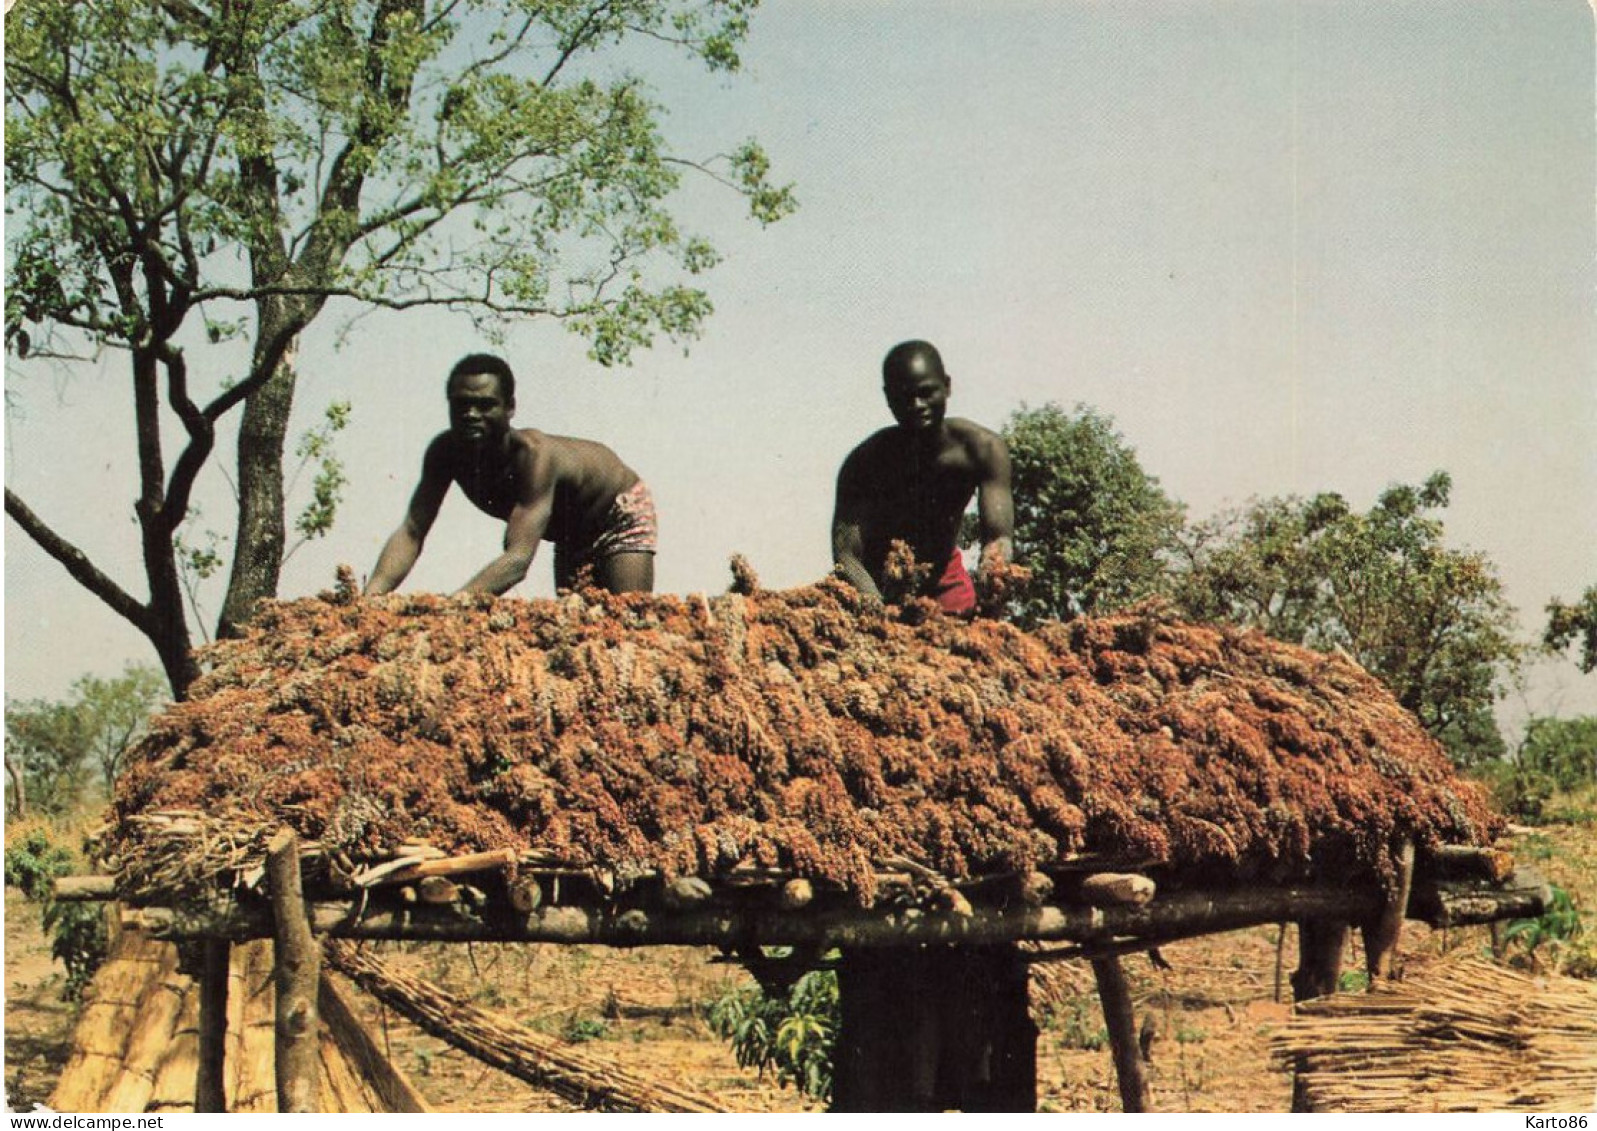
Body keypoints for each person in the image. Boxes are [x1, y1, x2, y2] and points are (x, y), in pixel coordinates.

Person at [365, 354, 656, 597]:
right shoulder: (444, 452)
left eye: (485, 405)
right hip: (570, 531)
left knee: (628, 619)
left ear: (510, 408)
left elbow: (517, 559)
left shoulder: (534, 457)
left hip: (618, 511)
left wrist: (453, 608)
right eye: (461, 404)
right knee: (578, 632)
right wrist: (370, 599)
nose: (471, 414)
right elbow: (413, 530)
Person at [831, 340, 1014, 614]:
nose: (917, 405)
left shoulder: (983, 450)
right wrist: (876, 611)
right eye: (904, 397)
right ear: (888, 398)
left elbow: (999, 538)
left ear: (947, 386)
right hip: (877, 587)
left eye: (927, 392)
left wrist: (993, 576)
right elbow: (847, 555)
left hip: (946, 585)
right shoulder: (864, 464)